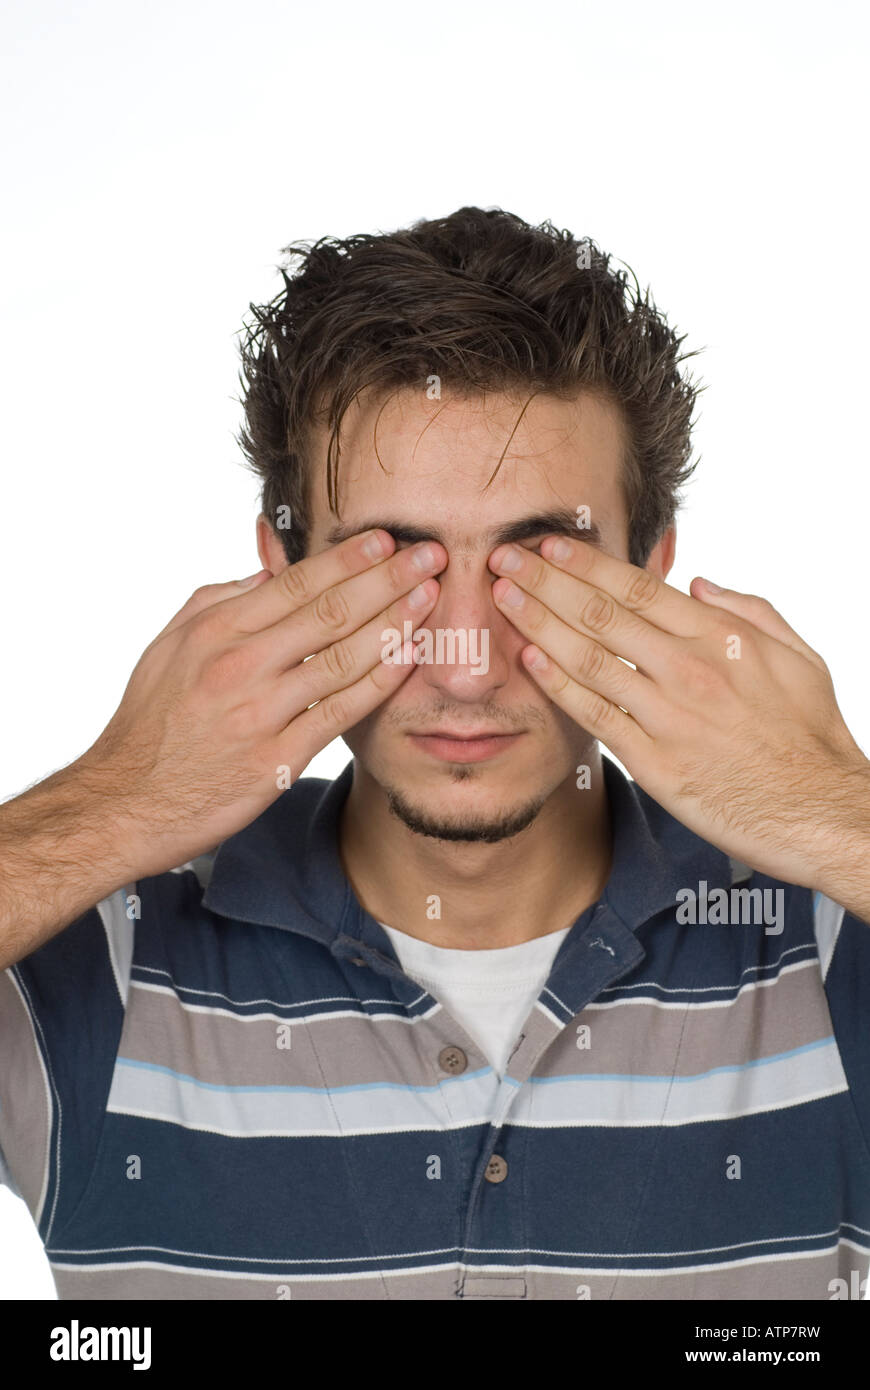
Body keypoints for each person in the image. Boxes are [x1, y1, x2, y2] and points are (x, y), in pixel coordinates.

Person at [1, 206, 868, 1301]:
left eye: (541, 564)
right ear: (283, 574)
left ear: (648, 577)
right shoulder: (103, 959)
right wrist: (119, 800)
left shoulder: (830, 948)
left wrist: (838, 814)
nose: (467, 664)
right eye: (394, 563)